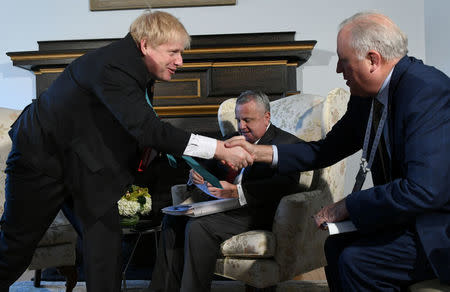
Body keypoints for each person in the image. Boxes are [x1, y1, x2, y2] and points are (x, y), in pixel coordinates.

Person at [0, 11, 252, 292]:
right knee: (14, 249)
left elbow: (133, 125)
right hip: (40, 161)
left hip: (86, 167)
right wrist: (218, 149)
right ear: (146, 45)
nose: (180, 60)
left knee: (105, 249)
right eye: (174, 52)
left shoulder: (137, 68)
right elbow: (149, 129)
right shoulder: (112, 67)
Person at [226, 12, 450, 291]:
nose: (338, 71)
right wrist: (259, 153)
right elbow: (325, 150)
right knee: (335, 246)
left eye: (343, 61)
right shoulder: (367, 97)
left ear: (372, 60)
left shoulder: (426, 91)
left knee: (356, 261)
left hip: (436, 226)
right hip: (404, 217)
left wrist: (347, 206)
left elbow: (424, 190)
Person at [149, 90, 301, 292]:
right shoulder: (232, 139)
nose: (241, 126)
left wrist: (238, 192)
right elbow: (206, 167)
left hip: (257, 212)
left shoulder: (288, 144)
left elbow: (286, 184)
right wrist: (196, 175)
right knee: (172, 220)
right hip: (221, 208)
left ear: (267, 117)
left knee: (198, 228)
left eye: (247, 120)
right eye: (238, 120)